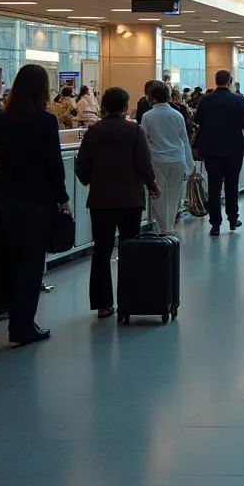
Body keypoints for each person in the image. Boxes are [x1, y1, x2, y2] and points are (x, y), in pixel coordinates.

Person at [0, 65, 70, 345]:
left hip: (7, 200)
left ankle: (9, 313)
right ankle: (23, 325)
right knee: (30, 266)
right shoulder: (44, 121)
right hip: (37, 202)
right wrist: (63, 200)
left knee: (8, 259)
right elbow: (54, 165)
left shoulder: (2, 120)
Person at [75, 87, 158, 318]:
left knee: (101, 251)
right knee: (129, 248)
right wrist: (151, 186)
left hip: (100, 200)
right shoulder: (135, 131)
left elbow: (82, 167)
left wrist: (93, 181)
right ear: (125, 107)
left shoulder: (92, 133)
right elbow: (144, 164)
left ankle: (103, 304)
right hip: (130, 199)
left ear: (103, 107)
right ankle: (129, 301)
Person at [194, 70, 244, 237]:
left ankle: (215, 224)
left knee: (214, 186)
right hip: (234, 149)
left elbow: (198, 121)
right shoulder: (239, 100)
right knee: (231, 185)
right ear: (229, 81)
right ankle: (233, 218)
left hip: (211, 149)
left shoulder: (205, 100)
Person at [141, 81, 195, 234]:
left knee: (157, 195)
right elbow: (184, 140)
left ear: (152, 98)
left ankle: (163, 228)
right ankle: (169, 226)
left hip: (157, 161)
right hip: (177, 160)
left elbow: (144, 140)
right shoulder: (177, 115)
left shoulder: (147, 116)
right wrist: (189, 165)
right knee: (174, 195)